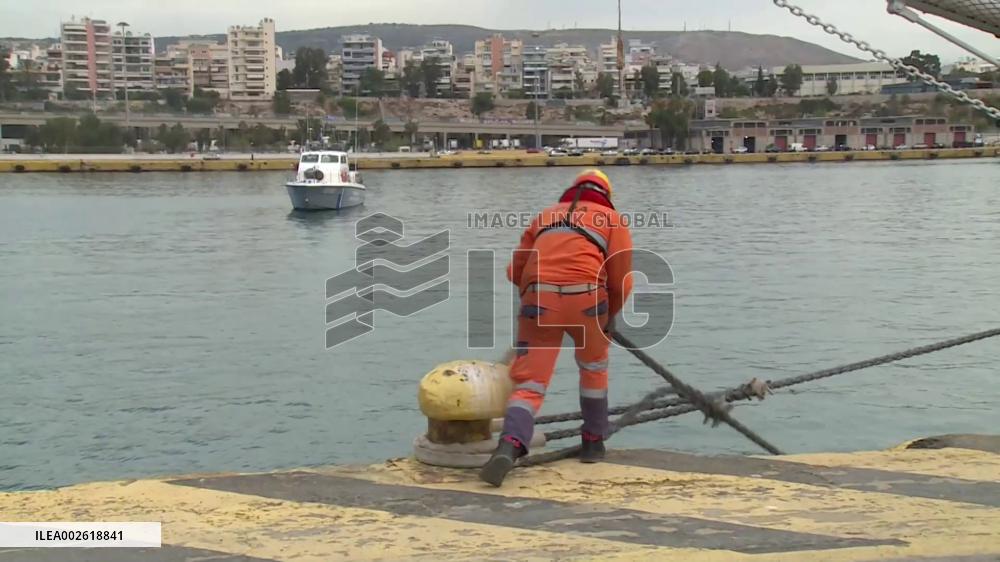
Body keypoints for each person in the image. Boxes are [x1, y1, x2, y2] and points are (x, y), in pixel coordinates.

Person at [480, 169, 634, 487]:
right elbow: (621, 281)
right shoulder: (612, 220)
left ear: (572, 191)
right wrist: (609, 316)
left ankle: (509, 446)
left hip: (539, 302)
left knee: (530, 385)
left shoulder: (545, 216)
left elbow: (514, 271)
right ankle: (593, 443)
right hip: (588, 302)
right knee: (594, 369)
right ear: (606, 195)